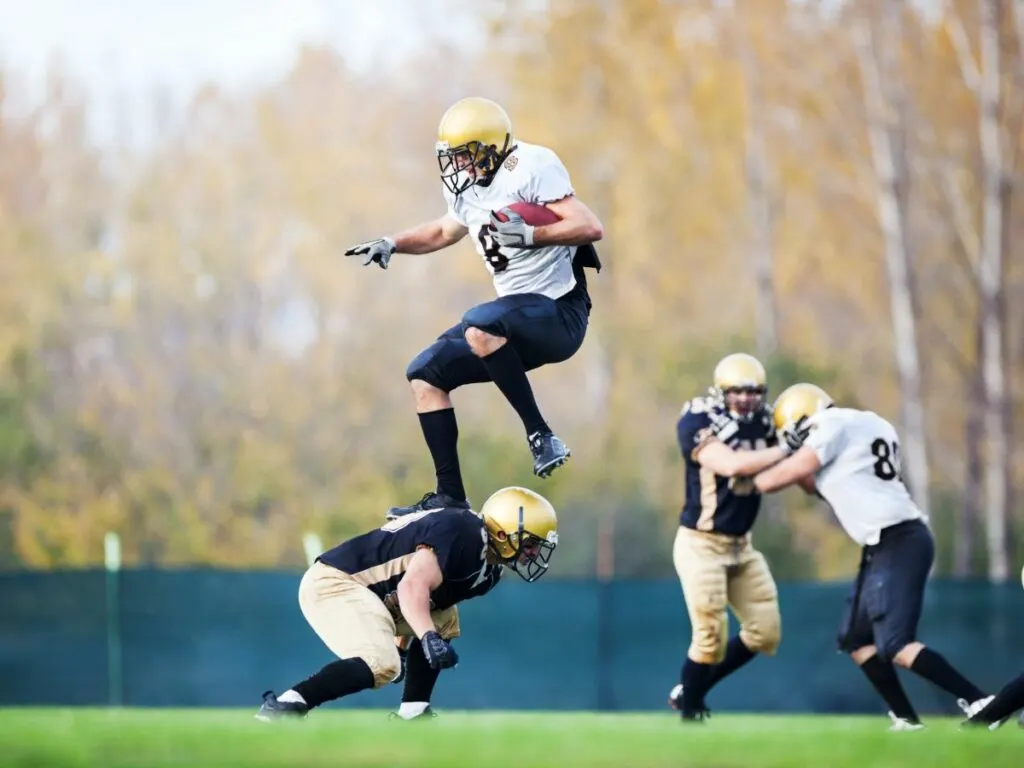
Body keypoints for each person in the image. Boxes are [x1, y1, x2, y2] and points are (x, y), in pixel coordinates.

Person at [343, 96, 604, 519]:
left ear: (490, 148)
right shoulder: (468, 187)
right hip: (511, 323)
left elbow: (590, 226)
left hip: (559, 313)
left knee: (479, 323)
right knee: (424, 373)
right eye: (455, 158)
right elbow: (445, 230)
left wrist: (533, 237)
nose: (460, 166)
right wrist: (394, 242)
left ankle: (541, 436)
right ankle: (450, 496)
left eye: (466, 156)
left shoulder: (532, 166)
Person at [753, 382, 992, 731]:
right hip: (887, 541)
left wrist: (750, 480)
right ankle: (907, 720)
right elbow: (811, 480)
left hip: (898, 538)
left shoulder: (829, 426)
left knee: (895, 643)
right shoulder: (864, 422)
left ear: (801, 421)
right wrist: (788, 457)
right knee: (856, 640)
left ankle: (978, 700)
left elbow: (790, 471)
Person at [255, 486, 557, 721]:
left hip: (374, 594)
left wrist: (406, 645)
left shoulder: (488, 571)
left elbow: (423, 601)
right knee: (381, 663)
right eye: (530, 543)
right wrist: (426, 639)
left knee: (444, 619)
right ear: (503, 531)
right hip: (337, 583)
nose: (532, 554)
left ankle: (413, 713)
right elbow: (411, 588)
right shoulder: (465, 534)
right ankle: (287, 706)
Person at [668, 353, 807, 722]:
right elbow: (730, 465)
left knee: (765, 632)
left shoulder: (767, 422)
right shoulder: (699, 419)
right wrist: (785, 448)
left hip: (742, 545)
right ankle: (691, 712)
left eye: (754, 391)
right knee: (709, 635)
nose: (746, 398)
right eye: (738, 391)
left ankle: (691, 690)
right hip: (701, 544)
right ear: (721, 391)